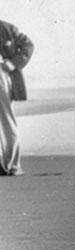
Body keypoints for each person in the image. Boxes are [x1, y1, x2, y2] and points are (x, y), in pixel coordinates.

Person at [0, 19, 34, 176]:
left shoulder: (7, 28)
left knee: (7, 121)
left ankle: (11, 165)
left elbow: (28, 46)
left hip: (2, 77)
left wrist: (13, 63)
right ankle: (8, 165)